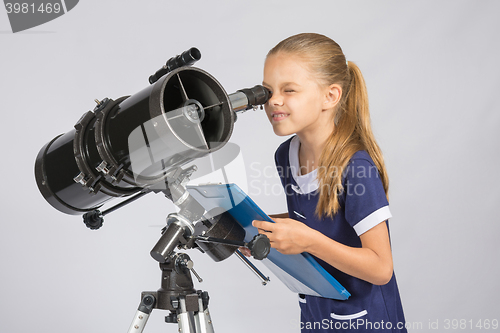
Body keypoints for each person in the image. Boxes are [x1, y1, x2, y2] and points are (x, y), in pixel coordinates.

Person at [250, 33, 407, 332]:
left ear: (330, 96)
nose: (274, 101)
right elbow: (315, 219)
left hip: (366, 321)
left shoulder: (356, 167)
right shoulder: (286, 154)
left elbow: (381, 267)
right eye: (268, 91)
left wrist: (308, 241)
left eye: (289, 90)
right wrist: (260, 225)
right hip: (318, 314)